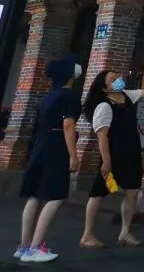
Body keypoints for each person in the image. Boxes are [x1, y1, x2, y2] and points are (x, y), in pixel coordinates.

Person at [79, 59, 144, 248]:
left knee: (132, 192)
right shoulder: (104, 106)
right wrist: (106, 161)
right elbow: (102, 136)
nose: (118, 80)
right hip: (113, 154)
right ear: (104, 88)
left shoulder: (126, 95)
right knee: (99, 193)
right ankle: (87, 235)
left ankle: (125, 232)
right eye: (112, 79)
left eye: (117, 77)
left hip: (131, 151)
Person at [15, 54, 82, 263]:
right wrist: (73, 155)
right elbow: (68, 125)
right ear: (69, 75)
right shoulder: (68, 96)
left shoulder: (49, 95)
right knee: (55, 196)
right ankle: (36, 247)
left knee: (35, 196)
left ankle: (24, 247)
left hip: (40, 146)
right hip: (56, 147)